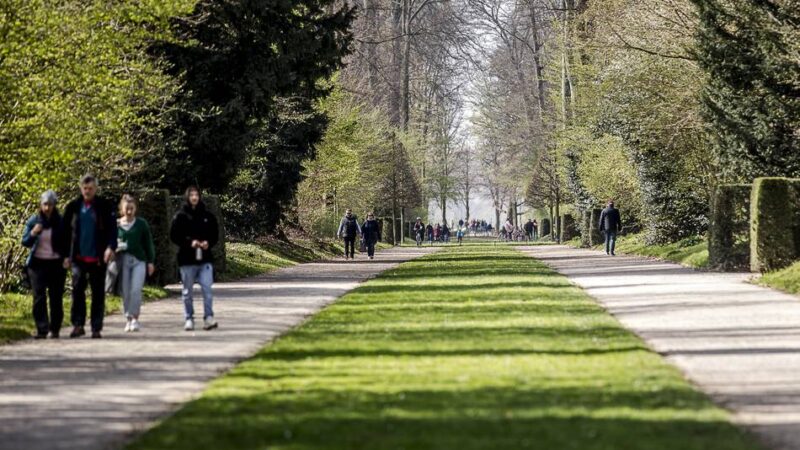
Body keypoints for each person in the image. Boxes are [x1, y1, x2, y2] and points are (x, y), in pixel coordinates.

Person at [62, 174, 118, 339]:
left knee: (98, 293)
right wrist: (65, 255)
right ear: (81, 188)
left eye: (91, 188)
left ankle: (96, 327)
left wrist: (110, 247)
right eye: (85, 188)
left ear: (96, 189)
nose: (88, 191)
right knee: (78, 291)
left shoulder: (104, 206)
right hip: (78, 257)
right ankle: (78, 325)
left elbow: (112, 230)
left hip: (98, 258)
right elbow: (64, 233)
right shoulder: (73, 207)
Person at [170, 186, 220, 331]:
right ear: (187, 197)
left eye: (196, 195)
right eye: (191, 195)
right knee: (187, 292)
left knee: (207, 289)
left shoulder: (208, 216)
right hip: (187, 260)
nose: (194, 197)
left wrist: (207, 243)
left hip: (205, 259)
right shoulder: (180, 217)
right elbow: (174, 236)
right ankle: (189, 318)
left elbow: (214, 235)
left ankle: (208, 317)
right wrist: (189, 242)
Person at [21, 190, 68, 339]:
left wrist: (67, 258)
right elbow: (25, 241)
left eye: (50, 204)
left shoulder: (61, 222)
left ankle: (55, 328)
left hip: (56, 263)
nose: (47, 207)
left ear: (55, 205)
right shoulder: (34, 221)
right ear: (40, 205)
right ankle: (42, 329)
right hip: (37, 264)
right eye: (45, 204)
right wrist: (33, 233)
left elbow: (69, 242)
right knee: (39, 297)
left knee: (56, 297)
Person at [116, 194, 156, 332]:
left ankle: (135, 318)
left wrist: (150, 261)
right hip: (123, 261)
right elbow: (111, 243)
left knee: (135, 290)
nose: (129, 211)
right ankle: (128, 318)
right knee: (125, 291)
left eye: (131, 208)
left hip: (139, 261)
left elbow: (148, 243)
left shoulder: (141, 224)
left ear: (135, 209)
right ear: (122, 209)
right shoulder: (117, 225)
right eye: (126, 208)